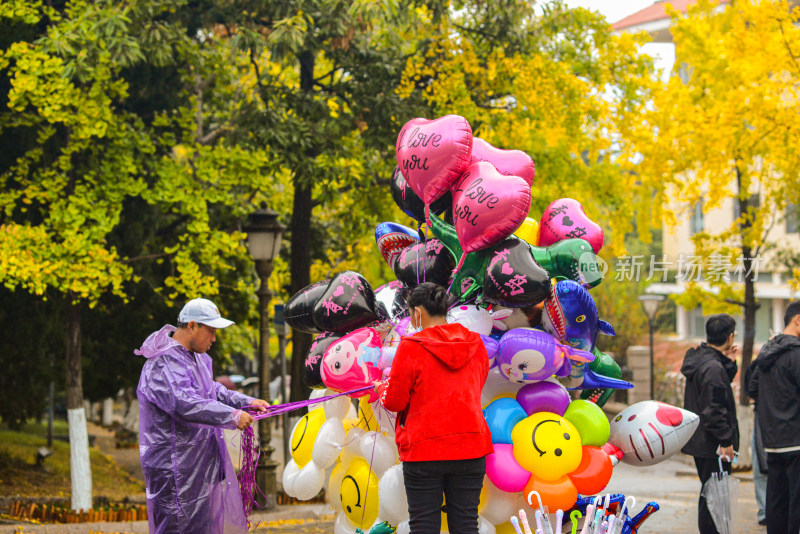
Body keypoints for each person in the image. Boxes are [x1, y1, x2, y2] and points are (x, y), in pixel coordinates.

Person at [135, 298, 268, 534]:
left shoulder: (195, 359)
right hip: (174, 469)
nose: (214, 339)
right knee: (177, 527)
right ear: (192, 325)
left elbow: (211, 390)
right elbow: (184, 402)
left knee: (200, 527)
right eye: (211, 331)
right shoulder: (164, 361)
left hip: (197, 466)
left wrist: (247, 403)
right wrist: (232, 416)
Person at [374, 282, 493, 534]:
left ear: (417, 312)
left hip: (423, 450)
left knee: (424, 525)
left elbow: (394, 401)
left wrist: (381, 390)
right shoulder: (476, 344)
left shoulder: (411, 346)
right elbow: (475, 386)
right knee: (466, 525)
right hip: (471, 446)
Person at [681, 313, 740, 534]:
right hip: (713, 444)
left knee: (711, 493)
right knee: (713, 497)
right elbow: (714, 408)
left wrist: (730, 364)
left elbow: (716, 389)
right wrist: (725, 440)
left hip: (702, 442)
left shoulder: (702, 360)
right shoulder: (712, 367)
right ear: (730, 336)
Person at [749, 301, 800, 534]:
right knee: (795, 506)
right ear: (797, 320)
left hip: (772, 441)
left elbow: (752, 389)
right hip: (796, 439)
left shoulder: (767, 352)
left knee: (777, 502)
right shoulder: (796, 354)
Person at [745, 359, 768, 526]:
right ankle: (765, 511)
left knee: (761, 469)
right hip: (768, 419)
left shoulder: (762, 361)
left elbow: (751, 389)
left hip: (763, 417)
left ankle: (764, 511)